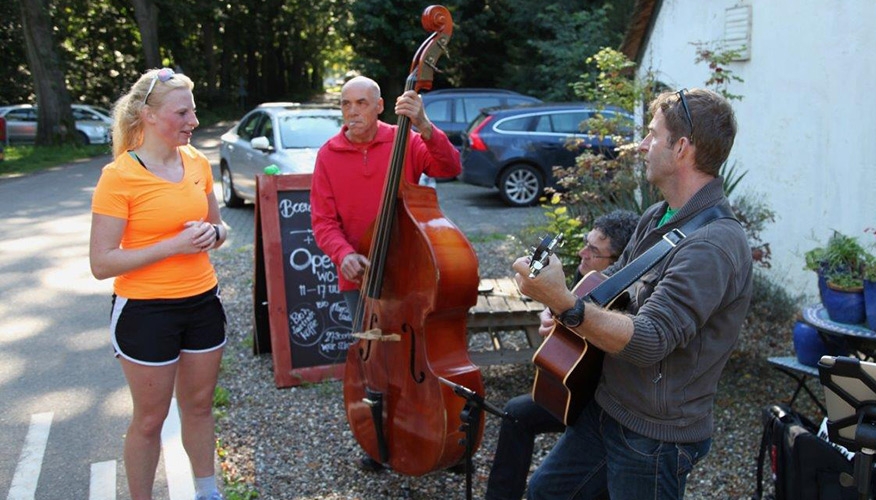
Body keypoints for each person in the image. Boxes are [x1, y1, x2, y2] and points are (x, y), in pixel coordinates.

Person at [511, 88, 752, 500]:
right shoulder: (658, 215)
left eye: (652, 135)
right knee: (544, 493)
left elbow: (649, 341)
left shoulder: (712, 246)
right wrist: (567, 308)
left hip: (655, 437)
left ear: (680, 148)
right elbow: (614, 287)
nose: (641, 145)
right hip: (607, 405)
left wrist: (568, 307)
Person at [310, 75, 461, 470]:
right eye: (345, 104)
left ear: (379, 106)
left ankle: (446, 430)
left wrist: (426, 126)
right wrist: (342, 254)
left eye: (361, 103)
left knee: (428, 353)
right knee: (374, 361)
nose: (352, 112)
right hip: (361, 279)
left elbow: (449, 166)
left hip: (414, 270)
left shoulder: (406, 140)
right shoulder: (328, 154)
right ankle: (378, 439)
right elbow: (323, 221)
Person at [89, 68, 228, 500]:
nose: (193, 121)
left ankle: (207, 492)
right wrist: (173, 246)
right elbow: (101, 262)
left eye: (194, 111)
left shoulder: (198, 163)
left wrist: (214, 236)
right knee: (150, 420)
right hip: (146, 311)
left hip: (203, 302)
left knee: (200, 407)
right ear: (147, 115)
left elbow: (219, 228)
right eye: (182, 112)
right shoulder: (119, 175)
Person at [486, 210, 639, 500]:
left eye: (593, 251)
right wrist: (552, 309)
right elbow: (566, 307)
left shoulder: (627, 295)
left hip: (603, 399)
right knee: (516, 413)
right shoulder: (588, 279)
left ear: (618, 262)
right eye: (586, 242)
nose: (582, 253)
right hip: (572, 388)